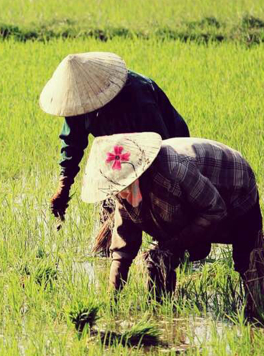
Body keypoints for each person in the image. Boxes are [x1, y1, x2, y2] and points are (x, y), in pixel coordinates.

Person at [79, 131, 264, 324]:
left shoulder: (173, 171)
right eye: (118, 192)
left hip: (234, 185)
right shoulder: (124, 192)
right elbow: (123, 249)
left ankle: (261, 315)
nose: (122, 196)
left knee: (247, 258)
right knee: (158, 257)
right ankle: (161, 314)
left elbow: (214, 210)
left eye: (125, 189)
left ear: (136, 176)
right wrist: (112, 300)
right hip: (192, 199)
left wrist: (176, 243)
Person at [39, 52, 190, 249]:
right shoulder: (78, 100)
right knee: (111, 206)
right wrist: (64, 186)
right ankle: (109, 250)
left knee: (163, 208)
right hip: (116, 152)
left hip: (165, 147)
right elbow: (72, 142)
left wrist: (137, 189)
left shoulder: (138, 94)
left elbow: (159, 147)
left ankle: (169, 251)